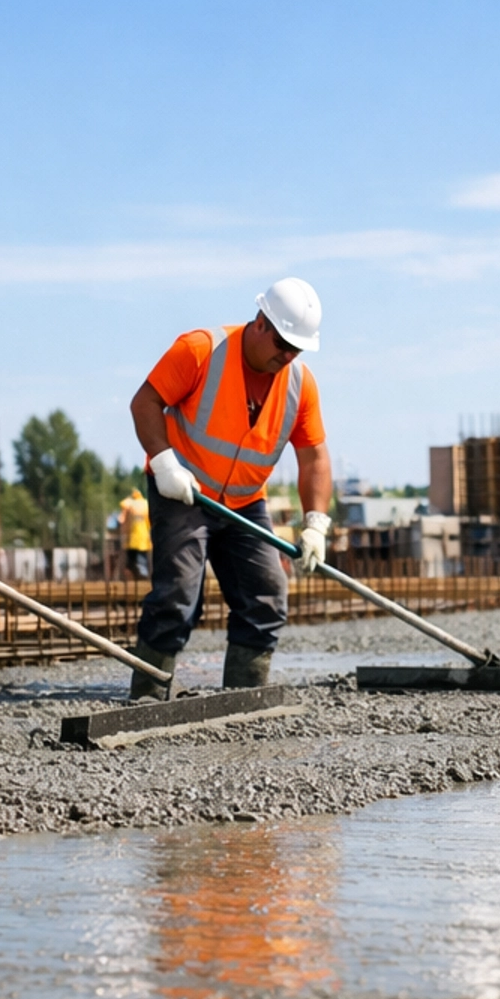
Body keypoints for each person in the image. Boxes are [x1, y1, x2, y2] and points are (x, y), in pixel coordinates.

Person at [126, 277, 332, 697]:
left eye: (296, 349)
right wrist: (165, 464)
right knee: (178, 596)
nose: (286, 356)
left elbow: (313, 455)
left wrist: (316, 523)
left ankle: (244, 695)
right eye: (281, 344)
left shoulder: (299, 384)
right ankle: (147, 695)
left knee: (267, 595)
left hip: (244, 502)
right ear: (260, 322)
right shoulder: (200, 349)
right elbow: (145, 402)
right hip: (185, 492)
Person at [117, 484, 152, 580]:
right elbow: (150, 523)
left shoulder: (130, 504)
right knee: (138, 558)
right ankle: (139, 574)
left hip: (133, 537)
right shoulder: (146, 505)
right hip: (142, 537)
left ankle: (141, 574)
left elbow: (121, 519)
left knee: (137, 559)